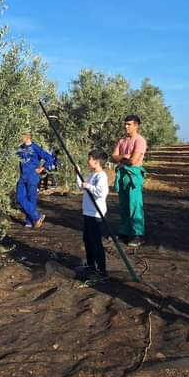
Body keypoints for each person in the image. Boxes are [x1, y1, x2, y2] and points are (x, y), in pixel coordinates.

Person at [111, 115, 148, 247]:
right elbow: (113, 157)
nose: (126, 127)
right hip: (122, 176)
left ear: (136, 125)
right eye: (125, 124)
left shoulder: (140, 141)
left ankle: (138, 234)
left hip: (134, 176)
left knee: (135, 204)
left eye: (129, 124)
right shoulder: (122, 141)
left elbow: (134, 161)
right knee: (124, 205)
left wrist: (122, 159)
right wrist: (124, 157)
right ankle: (124, 232)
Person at [76, 150, 109, 280]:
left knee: (96, 242)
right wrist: (77, 174)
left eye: (89, 159)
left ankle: (101, 269)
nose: (88, 161)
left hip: (96, 214)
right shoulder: (91, 175)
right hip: (87, 213)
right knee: (87, 239)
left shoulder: (101, 176)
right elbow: (81, 187)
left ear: (96, 161)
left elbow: (101, 193)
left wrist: (88, 186)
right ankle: (90, 265)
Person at [16, 131, 56, 228]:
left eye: (22, 135)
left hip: (32, 177)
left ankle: (30, 221)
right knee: (20, 197)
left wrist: (42, 168)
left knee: (31, 199)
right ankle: (37, 216)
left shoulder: (35, 147)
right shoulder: (20, 148)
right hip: (22, 177)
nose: (21, 137)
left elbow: (49, 158)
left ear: (28, 136)